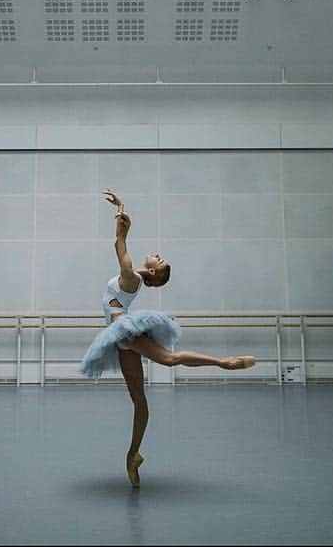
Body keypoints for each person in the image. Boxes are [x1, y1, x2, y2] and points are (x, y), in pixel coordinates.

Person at [78, 189, 256, 486]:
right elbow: (120, 244)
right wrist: (122, 211)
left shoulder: (131, 279)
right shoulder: (133, 277)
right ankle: (133, 455)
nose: (157, 255)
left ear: (150, 271)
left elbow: (120, 246)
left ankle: (224, 362)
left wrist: (124, 222)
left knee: (169, 359)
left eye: (158, 260)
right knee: (139, 400)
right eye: (159, 257)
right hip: (122, 338)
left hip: (126, 331)